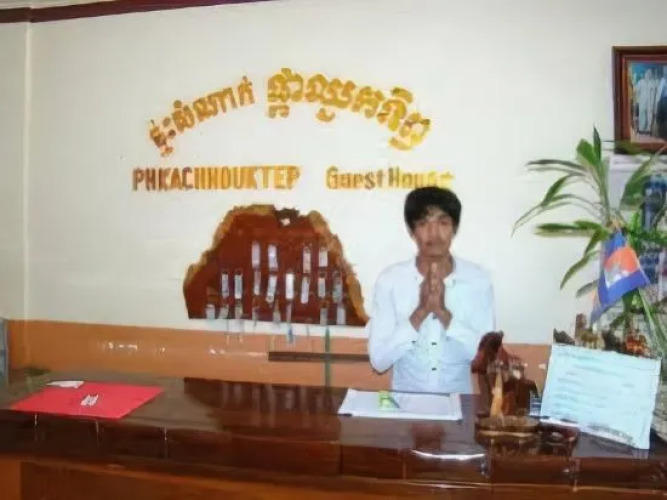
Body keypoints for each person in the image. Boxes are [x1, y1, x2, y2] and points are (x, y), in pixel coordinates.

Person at [366, 186, 495, 394]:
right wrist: (420, 312)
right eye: (423, 223)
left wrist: (444, 314)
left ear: (454, 228)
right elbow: (379, 361)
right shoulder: (390, 281)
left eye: (443, 223)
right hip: (406, 403)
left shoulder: (478, 281)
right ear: (411, 231)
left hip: (459, 403)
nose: (433, 233)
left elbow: (485, 359)